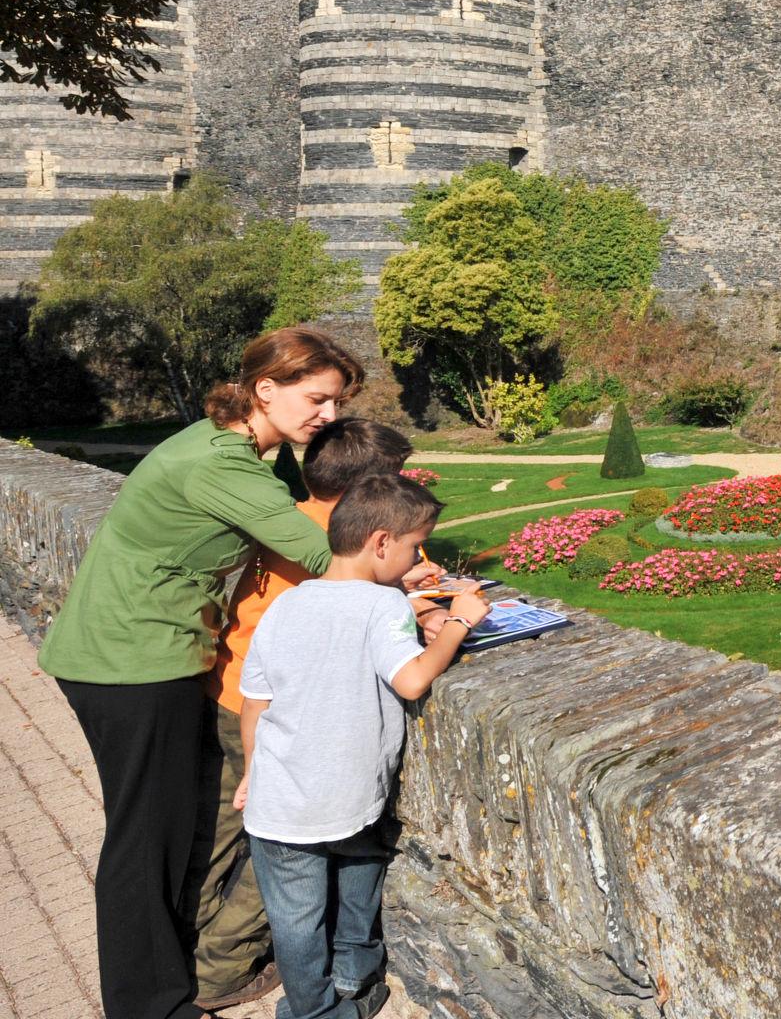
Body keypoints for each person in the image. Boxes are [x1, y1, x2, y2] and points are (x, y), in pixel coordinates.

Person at [39, 326, 365, 1019]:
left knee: (177, 824)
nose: (328, 417)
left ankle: (176, 967)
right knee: (144, 838)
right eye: (318, 399)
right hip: (128, 661)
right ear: (264, 388)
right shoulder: (222, 464)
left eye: (335, 403)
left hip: (155, 651)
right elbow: (318, 555)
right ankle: (150, 1006)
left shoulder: (246, 449)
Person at [235, 474, 488, 1019]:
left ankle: (313, 1003)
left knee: (295, 922)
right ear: (380, 543)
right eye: (413, 545)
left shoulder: (286, 605)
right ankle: (340, 988)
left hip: (277, 800)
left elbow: (255, 702)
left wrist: (252, 771)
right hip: (349, 796)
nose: (417, 555)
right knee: (360, 865)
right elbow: (412, 680)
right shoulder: (381, 608)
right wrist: (459, 624)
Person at [192, 418, 420, 1008]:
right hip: (290, 711)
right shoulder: (322, 548)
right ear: (366, 500)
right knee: (282, 855)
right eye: (392, 484)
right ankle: (223, 970)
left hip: (236, 689)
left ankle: (193, 946)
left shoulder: (289, 517)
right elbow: (358, 621)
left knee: (225, 840)